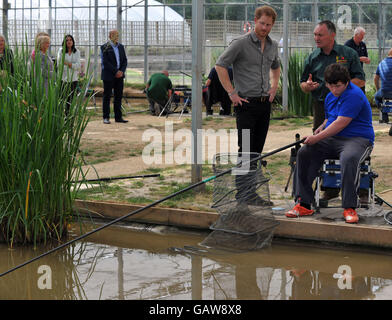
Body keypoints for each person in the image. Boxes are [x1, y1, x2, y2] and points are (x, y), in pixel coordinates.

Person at [286, 63, 374, 224]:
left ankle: (350, 207)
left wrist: (317, 138)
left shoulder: (354, 95)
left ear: (347, 82)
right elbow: (330, 119)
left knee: (348, 158)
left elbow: (340, 123)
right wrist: (320, 128)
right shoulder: (329, 97)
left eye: (338, 86)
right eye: (330, 86)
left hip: (358, 139)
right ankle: (304, 203)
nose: (334, 90)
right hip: (333, 140)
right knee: (304, 152)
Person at [215, 5, 280, 206]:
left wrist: (274, 86)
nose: (265, 28)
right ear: (255, 21)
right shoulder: (241, 44)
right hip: (245, 104)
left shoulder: (272, 45)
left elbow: (276, 67)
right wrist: (231, 93)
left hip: (264, 104)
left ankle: (250, 193)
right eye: (262, 23)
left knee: (257, 151)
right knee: (246, 149)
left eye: (269, 25)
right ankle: (242, 193)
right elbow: (220, 65)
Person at [300, 20, 366, 202]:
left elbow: (360, 79)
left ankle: (361, 190)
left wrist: (340, 88)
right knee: (320, 146)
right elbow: (303, 83)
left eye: (320, 35)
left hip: (348, 106)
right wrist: (308, 86)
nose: (316, 38)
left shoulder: (348, 54)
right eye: (315, 35)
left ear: (332, 35)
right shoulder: (313, 57)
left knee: (352, 148)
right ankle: (329, 189)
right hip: (323, 106)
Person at [101, 29, 128, 124]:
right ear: (109, 36)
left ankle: (118, 117)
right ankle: (106, 117)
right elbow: (105, 62)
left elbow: (124, 60)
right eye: (114, 35)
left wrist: (121, 71)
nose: (116, 37)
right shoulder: (105, 47)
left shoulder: (121, 47)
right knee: (107, 96)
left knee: (118, 96)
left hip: (119, 76)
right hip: (109, 75)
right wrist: (116, 71)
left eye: (117, 35)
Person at [57, 34, 81, 114]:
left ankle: (68, 119)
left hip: (73, 79)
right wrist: (72, 65)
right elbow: (59, 65)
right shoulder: (61, 51)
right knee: (62, 99)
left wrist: (68, 64)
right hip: (63, 79)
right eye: (67, 40)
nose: (69, 42)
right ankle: (60, 117)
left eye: (70, 40)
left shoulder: (77, 52)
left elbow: (78, 66)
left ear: (73, 41)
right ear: (64, 42)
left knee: (70, 101)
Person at [344, 26, 370, 93]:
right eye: (361, 36)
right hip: (350, 74)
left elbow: (366, 57)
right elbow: (345, 60)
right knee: (351, 92)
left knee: (361, 92)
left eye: (363, 36)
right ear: (356, 35)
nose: (363, 37)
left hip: (360, 72)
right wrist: (359, 59)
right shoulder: (348, 44)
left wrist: (367, 60)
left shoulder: (363, 44)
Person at [374, 48, 392, 129]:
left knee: (377, 97)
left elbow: (376, 78)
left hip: (384, 91)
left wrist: (378, 89)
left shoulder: (381, 63)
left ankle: (384, 115)